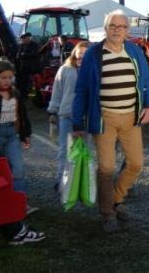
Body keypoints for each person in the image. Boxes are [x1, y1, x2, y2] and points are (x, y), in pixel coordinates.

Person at [71, 10, 149, 233]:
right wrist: (77, 122)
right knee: (106, 167)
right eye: (113, 26)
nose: (117, 30)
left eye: (122, 26)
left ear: (128, 30)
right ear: (106, 28)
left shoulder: (135, 51)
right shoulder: (93, 54)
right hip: (104, 118)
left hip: (131, 117)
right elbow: (81, 90)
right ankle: (108, 214)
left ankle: (116, 199)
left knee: (136, 164)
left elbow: (146, 80)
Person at [0, 60, 37, 215]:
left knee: (18, 169)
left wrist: (26, 134)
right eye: (3, 77)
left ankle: (22, 203)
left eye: (10, 77)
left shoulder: (15, 93)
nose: (8, 80)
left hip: (12, 135)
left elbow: (22, 115)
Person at [47, 41, 90, 192]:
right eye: (81, 52)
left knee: (84, 151)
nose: (82, 56)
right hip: (67, 114)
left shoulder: (93, 70)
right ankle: (62, 182)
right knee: (65, 150)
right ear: (75, 52)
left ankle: (79, 182)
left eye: (86, 53)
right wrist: (53, 111)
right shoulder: (65, 69)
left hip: (86, 117)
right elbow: (57, 92)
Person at [15, 32, 40, 101]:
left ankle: (36, 96)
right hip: (23, 67)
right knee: (24, 82)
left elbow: (34, 54)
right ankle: (24, 95)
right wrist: (24, 55)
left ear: (28, 38)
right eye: (22, 39)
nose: (23, 41)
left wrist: (24, 55)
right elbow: (18, 56)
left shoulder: (34, 45)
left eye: (24, 39)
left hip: (33, 67)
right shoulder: (21, 46)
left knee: (34, 82)